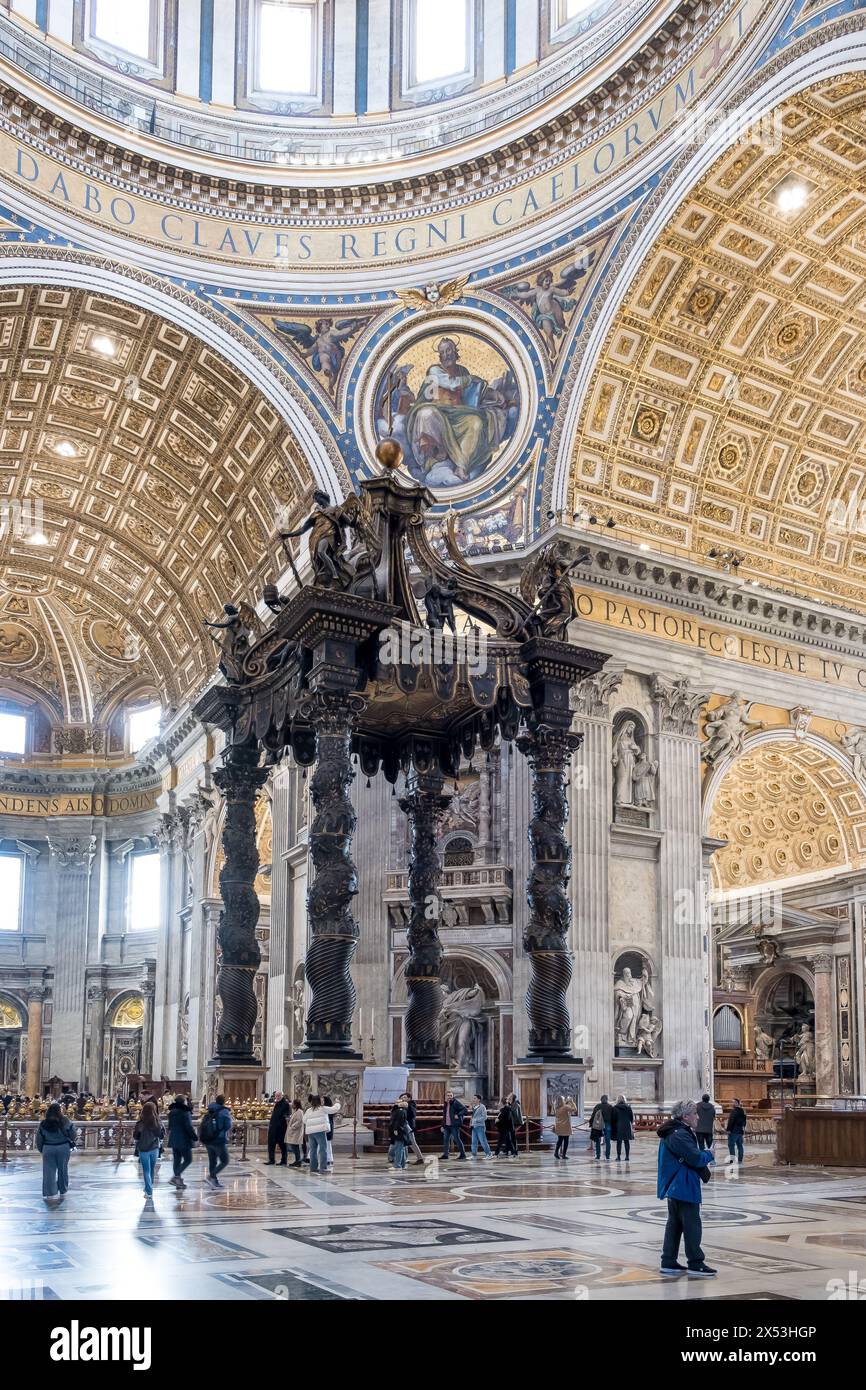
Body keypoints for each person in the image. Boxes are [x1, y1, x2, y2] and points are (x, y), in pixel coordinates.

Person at [657, 1099, 716, 1277]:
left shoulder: (675, 1131)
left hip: (677, 1184)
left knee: (675, 1224)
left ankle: (668, 1261)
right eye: (695, 1114)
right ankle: (695, 1262)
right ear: (685, 1116)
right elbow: (695, 1157)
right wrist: (709, 1154)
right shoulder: (679, 1134)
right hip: (682, 1183)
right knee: (692, 1224)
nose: (698, 1117)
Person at [36, 1102, 76, 1203]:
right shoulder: (66, 1121)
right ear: (60, 1111)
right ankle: (63, 1191)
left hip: (48, 1148)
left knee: (49, 1172)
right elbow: (73, 1134)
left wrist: (42, 1149)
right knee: (63, 1170)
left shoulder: (43, 1123)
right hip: (63, 1147)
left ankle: (50, 1194)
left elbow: (39, 1139)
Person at [133, 1100, 164, 1199]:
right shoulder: (158, 1122)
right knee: (151, 1170)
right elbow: (161, 1135)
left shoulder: (140, 1123)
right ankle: (149, 1188)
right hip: (154, 1148)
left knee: (146, 1170)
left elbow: (136, 1136)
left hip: (143, 1148)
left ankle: (149, 1191)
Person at [200, 1093, 232, 1188]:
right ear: (223, 1102)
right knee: (225, 1160)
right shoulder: (224, 1112)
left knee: (212, 1161)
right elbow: (228, 1125)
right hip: (219, 1139)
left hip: (208, 1139)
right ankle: (211, 1177)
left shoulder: (210, 1109)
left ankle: (213, 1181)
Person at [303, 1094, 341, 1173]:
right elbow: (334, 1109)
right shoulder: (322, 1108)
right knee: (323, 1149)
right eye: (322, 1100)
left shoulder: (309, 1110)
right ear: (318, 1101)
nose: (323, 1101)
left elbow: (304, 1120)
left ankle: (313, 1168)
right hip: (320, 1131)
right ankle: (323, 1168)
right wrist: (337, 1103)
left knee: (313, 1150)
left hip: (310, 1133)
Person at [166, 1095, 196, 1188]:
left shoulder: (171, 1112)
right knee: (188, 1159)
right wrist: (194, 1137)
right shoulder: (185, 1112)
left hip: (174, 1138)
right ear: (183, 1102)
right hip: (184, 1139)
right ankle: (176, 1177)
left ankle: (177, 1181)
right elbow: (188, 1127)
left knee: (177, 1160)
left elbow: (170, 1126)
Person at [441, 1090, 467, 1160]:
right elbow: (444, 1115)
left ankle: (463, 1154)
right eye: (448, 1095)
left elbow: (465, 1109)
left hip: (454, 1125)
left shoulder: (455, 1103)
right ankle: (445, 1155)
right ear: (445, 1096)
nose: (449, 1097)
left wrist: (458, 1115)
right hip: (446, 1125)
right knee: (446, 1140)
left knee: (457, 1139)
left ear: (452, 1096)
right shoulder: (446, 1103)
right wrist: (442, 1125)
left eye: (451, 1096)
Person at [266, 1091, 291, 1166]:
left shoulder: (285, 1104)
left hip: (281, 1128)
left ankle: (284, 1160)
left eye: (278, 1095)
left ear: (282, 1095)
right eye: (276, 1096)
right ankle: (271, 1160)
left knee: (282, 1145)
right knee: (271, 1144)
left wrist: (282, 1121)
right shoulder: (276, 1103)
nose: (277, 1097)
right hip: (273, 1127)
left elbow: (286, 1115)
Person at [387, 1096, 411, 1171]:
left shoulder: (400, 1111)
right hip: (402, 1132)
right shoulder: (402, 1110)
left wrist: (395, 1129)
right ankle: (402, 1164)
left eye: (398, 1102)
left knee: (398, 1149)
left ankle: (397, 1165)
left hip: (399, 1132)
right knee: (402, 1149)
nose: (396, 1104)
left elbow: (398, 1122)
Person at [401, 1092, 426, 1164]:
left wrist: (406, 1107)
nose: (403, 1098)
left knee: (412, 1143)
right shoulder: (404, 1105)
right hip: (405, 1126)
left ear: (409, 1098)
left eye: (405, 1097)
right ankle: (404, 1158)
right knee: (406, 1143)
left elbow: (412, 1114)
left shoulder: (411, 1104)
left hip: (409, 1126)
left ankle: (420, 1158)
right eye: (402, 1097)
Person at [588, 1094, 613, 1160]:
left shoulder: (597, 1106)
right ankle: (607, 1156)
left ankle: (598, 1155)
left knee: (598, 1140)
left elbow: (593, 1116)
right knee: (608, 1141)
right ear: (607, 1099)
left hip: (598, 1125)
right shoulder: (610, 1107)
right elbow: (613, 1117)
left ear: (601, 1099)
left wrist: (591, 1124)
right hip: (607, 1124)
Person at [612, 1093, 634, 1162]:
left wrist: (614, 1125)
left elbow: (613, 1118)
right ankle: (627, 1156)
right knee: (626, 1142)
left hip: (618, 1126)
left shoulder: (615, 1108)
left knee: (619, 1142)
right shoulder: (628, 1107)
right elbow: (631, 1118)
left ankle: (618, 1157)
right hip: (627, 1126)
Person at [553, 1094, 577, 1160]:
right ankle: (564, 1155)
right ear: (562, 1101)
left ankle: (556, 1152)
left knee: (560, 1140)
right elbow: (574, 1109)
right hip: (566, 1126)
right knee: (566, 1141)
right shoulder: (565, 1107)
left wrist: (566, 1102)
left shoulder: (556, 1107)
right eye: (563, 1099)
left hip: (559, 1126)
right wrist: (572, 1102)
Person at [726, 1098, 747, 1165]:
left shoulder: (734, 1111)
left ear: (737, 1103)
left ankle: (732, 1160)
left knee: (731, 1145)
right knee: (740, 1145)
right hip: (740, 1131)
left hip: (733, 1131)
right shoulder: (743, 1111)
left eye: (733, 1102)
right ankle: (740, 1160)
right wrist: (742, 1128)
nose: (732, 1104)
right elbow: (744, 1121)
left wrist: (728, 1129)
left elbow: (731, 1121)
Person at [286, 1099, 304, 1167]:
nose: (292, 1105)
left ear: (296, 1104)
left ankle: (298, 1161)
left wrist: (292, 1127)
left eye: (293, 1104)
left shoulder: (299, 1111)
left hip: (296, 1132)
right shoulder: (296, 1111)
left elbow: (299, 1121)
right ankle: (297, 1160)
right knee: (294, 1146)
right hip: (294, 1132)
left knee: (295, 1147)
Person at [323, 1095, 336, 1167]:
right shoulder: (329, 1109)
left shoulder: (327, 1109)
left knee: (327, 1144)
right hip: (327, 1127)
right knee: (328, 1144)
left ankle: (329, 1159)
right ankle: (329, 1159)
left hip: (327, 1127)